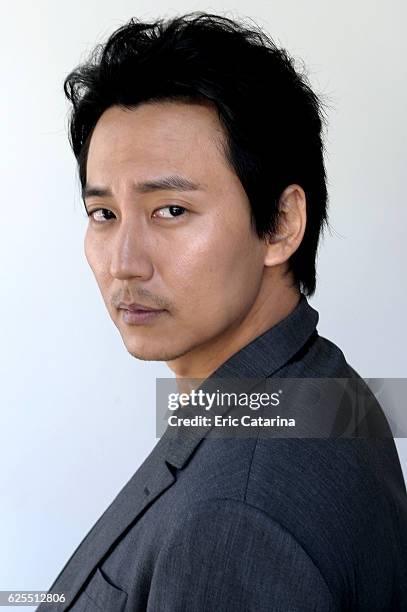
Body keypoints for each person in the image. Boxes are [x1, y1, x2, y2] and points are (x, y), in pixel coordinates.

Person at [37, 11, 407, 611]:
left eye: (172, 210)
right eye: (104, 214)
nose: (124, 262)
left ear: (282, 224)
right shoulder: (320, 387)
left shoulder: (232, 521)